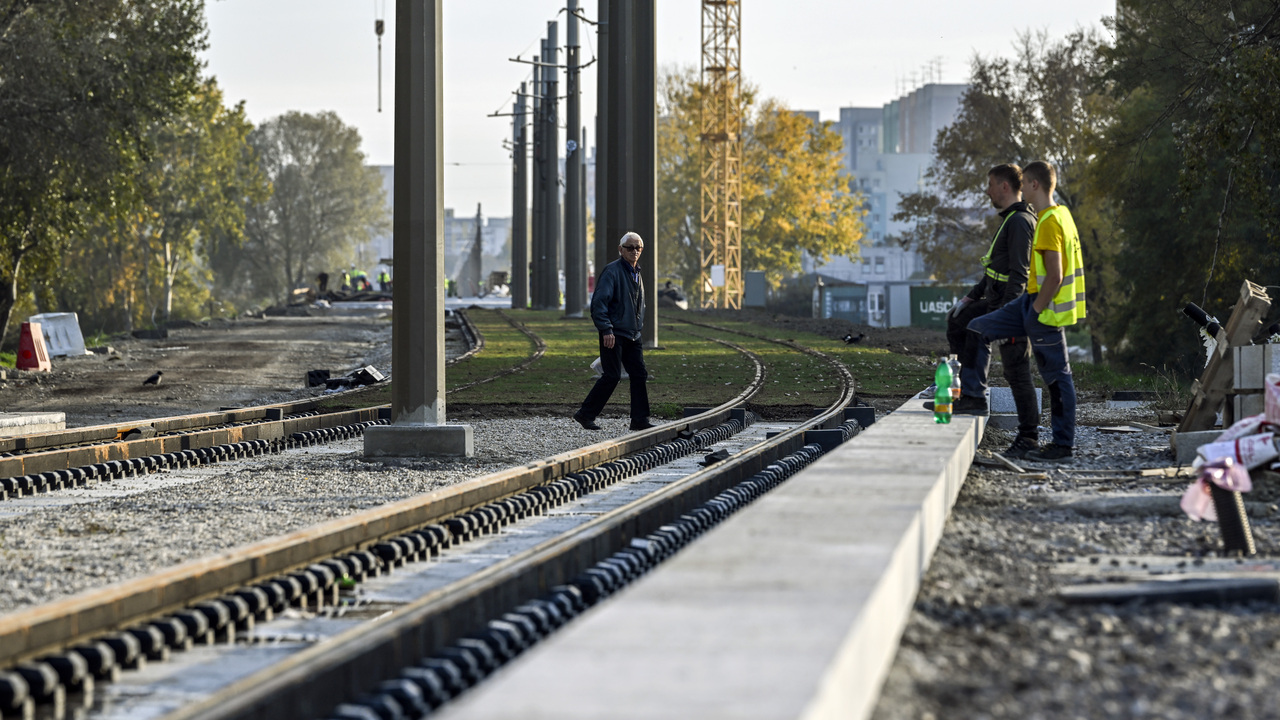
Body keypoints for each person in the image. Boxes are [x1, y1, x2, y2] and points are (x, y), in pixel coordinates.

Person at [969, 161, 1086, 462]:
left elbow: (1055, 276)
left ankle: (1062, 445)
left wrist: (1034, 311)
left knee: (1058, 378)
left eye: (1025, 184)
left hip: (1044, 311)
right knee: (978, 328)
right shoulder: (1061, 215)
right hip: (1030, 302)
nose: (1022, 190)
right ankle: (971, 398)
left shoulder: (1047, 222)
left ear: (1035, 185)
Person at [942, 164, 1040, 456]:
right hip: (998, 300)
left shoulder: (1020, 222)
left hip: (1013, 306)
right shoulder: (1011, 218)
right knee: (961, 321)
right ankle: (969, 395)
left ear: (1004, 187)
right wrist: (970, 298)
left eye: (990, 185)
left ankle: (1029, 437)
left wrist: (1008, 316)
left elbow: (1019, 275)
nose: (987, 191)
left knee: (1017, 371)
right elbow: (995, 270)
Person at [573, 232, 655, 432]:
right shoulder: (612, 271)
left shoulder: (636, 272)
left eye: (638, 247)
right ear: (620, 249)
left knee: (639, 374)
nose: (634, 251)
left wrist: (637, 327)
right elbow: (599, 303)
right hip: (614, 333)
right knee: (611, 375)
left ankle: (639, 419)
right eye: (630, 247)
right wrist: (606, 329)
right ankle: (585, 414)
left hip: (632, 333)